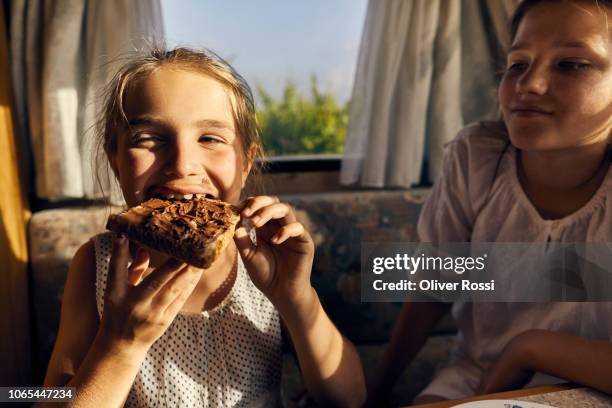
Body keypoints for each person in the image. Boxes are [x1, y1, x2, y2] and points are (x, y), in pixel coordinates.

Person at [41, 47, 365, 408]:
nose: (182, 165)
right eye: (148, 139)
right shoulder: (96, 265)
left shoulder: (267, 257)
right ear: (115, 160)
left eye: (210, 139)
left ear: (245, 163)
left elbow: (349, 399)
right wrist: (120, 344)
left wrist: (296, 298)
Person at [368, 0, 612, 404]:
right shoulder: (477, 156)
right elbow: (435, 285)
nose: (528, 84)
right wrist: (375, 391)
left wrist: (529, 348)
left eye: (571, 64)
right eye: (517, 63)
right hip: (474, 374)